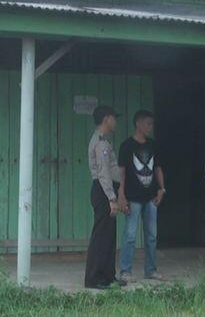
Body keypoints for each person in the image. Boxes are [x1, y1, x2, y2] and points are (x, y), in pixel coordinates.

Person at [117, 110, 166, 282]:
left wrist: (162, 188)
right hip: (132, 196)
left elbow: (158, 168)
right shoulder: (126, 146)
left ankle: (151, 270)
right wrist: (121, 194)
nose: (150, 127)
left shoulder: (153, 144)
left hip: (151, 196)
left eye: (151, 124)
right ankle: (125, 271)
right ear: (138, 124)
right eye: (148, 124)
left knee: (152, 235)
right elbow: (121, 172)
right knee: (130, 235)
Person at [84, 105, 126, 290]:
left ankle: (108, 276)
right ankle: (93, 278)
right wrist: (111, 198)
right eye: (113, 118)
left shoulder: (104, 141)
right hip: (103, 191)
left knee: (109, 236)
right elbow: (103, 173)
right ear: (106, 119)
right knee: (101, 236)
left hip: (107, 191)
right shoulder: (100, 143)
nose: (115, 121)